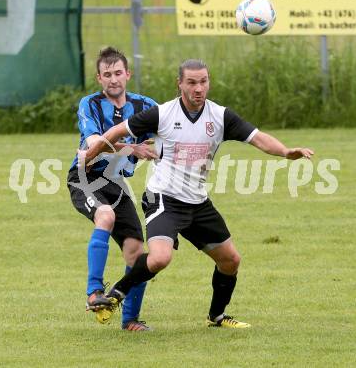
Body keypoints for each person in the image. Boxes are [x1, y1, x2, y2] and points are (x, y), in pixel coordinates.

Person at [79, 59, 314, 329]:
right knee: (160, 258)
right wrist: (91, 154)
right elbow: (117, 131)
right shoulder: (163, 114)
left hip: (198, 202)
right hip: (163, 198)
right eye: (191, 82)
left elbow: (258, 137)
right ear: (179, 84)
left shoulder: (221, 116)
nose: (198, 88)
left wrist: (285, 152)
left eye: (203, 81)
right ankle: (116, 293)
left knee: (230, 261)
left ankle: (216, 317)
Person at [67, 47, 158, 331]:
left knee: (137, 252)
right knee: (105, 216)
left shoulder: (145, 105)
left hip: (116, 183)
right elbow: (95, 143)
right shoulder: (90, 104)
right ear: (99, 78)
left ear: (128, 74)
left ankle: (130, 319)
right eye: (107, 74)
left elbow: (170, 128)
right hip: (85, 175)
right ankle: (94, 292)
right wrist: (133, 147)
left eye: (118, 72)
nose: (113, 79)